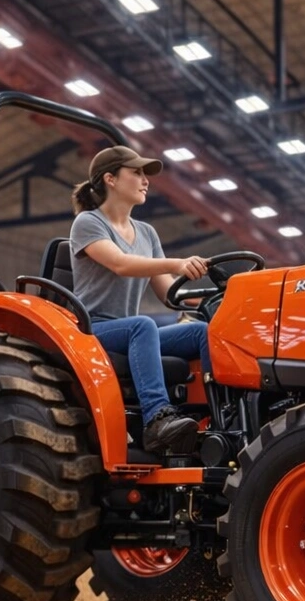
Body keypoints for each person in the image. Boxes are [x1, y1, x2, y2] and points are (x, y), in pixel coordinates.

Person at [70, 146, 210, 456]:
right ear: (110, 179)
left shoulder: (146, 233)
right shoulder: (88, 223)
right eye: (136, 173)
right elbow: (121, 263)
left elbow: (169, 294)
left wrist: (213, 297)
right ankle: (157, 420)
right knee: (142, 325)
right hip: (93, 331)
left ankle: (218, 416)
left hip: (131, 332)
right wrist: (177, 263)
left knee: (201, 331)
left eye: (145, 175)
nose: (145, 180)